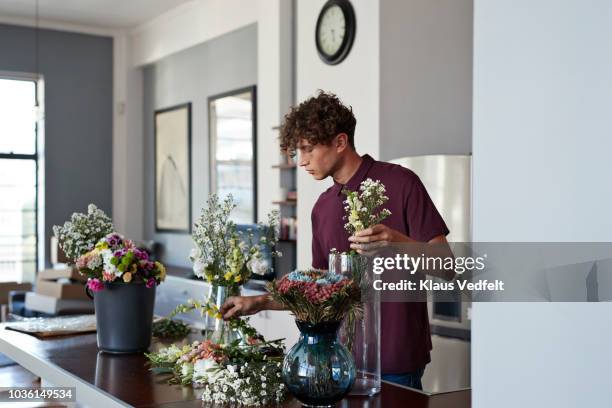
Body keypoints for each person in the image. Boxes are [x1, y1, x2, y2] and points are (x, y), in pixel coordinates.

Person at [220, 90, 452, 389]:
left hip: (396, 362)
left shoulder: (402, 182)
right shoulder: (322, 207)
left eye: (308, 149)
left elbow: (447, 265)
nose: (301, 161)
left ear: (340, 142)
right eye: (296, 152)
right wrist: (259, 302)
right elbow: (319, 290)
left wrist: (396, 242)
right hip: (335, 361)